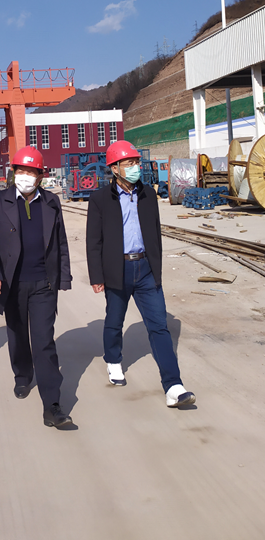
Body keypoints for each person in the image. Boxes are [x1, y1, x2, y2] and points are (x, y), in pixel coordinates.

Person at [86, 140, 195, 408]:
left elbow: (155, 232)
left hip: (146, 269)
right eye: (129, 163)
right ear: (115, 168)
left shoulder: (147, 194)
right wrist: (97, 276)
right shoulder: (100, 199)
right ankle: (113, 360)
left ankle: (173, 386)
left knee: (159, 326)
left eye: (136, 162)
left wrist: (156, 269)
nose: (135, 167)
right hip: (118, 269)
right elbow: (94, 241)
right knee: (115, 321)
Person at [0, 146, 73, 428]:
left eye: (31, 172)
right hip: (13, 283)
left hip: (44, 283)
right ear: (13, 173)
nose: (25, 176)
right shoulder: (0, 201)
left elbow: (60, 241)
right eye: (21, 170)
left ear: (40, 176)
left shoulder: (51, 202)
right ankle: (22, 375)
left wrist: (64, 277)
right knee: (18, 335)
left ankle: (52, 405)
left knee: (44, 342)